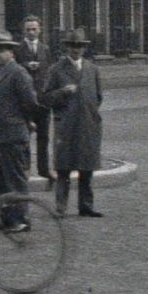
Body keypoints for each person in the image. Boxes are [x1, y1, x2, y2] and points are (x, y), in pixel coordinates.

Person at [0, 32, 43, 231]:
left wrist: (23, 122)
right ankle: (7, 217)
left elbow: (30, 103)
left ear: (11, 52)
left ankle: (21, 219)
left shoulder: (18, 73)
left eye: (1, 50)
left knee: (15, 180)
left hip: (12, 134)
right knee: (1, 180)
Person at [40, 29, 104, 218]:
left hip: (87, 125)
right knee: (63, 169)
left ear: (85, 48)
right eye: (73, 46)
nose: (77, 50)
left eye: (80, 46)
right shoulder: (56, 69)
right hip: (66, 126)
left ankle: (86, 205)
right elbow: (45, 98)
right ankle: (61, 207)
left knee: (86, 167)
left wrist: (91, 113)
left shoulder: (92, 69)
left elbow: (98, 97)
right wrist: (62, 93)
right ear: (67, 47)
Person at [16, 16, 53, 179]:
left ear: (40, 30)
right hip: (25, 100)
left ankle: (44, 169)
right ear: (24, 31)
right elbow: (14, 70)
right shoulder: (17, 49)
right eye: (28, 29)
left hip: (43, 100)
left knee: (43, 137)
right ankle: (25, 168)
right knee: (24, 136)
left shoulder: (45, 49)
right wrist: (25, 65)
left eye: (34, 29)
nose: (31, 32)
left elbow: (49, 72)